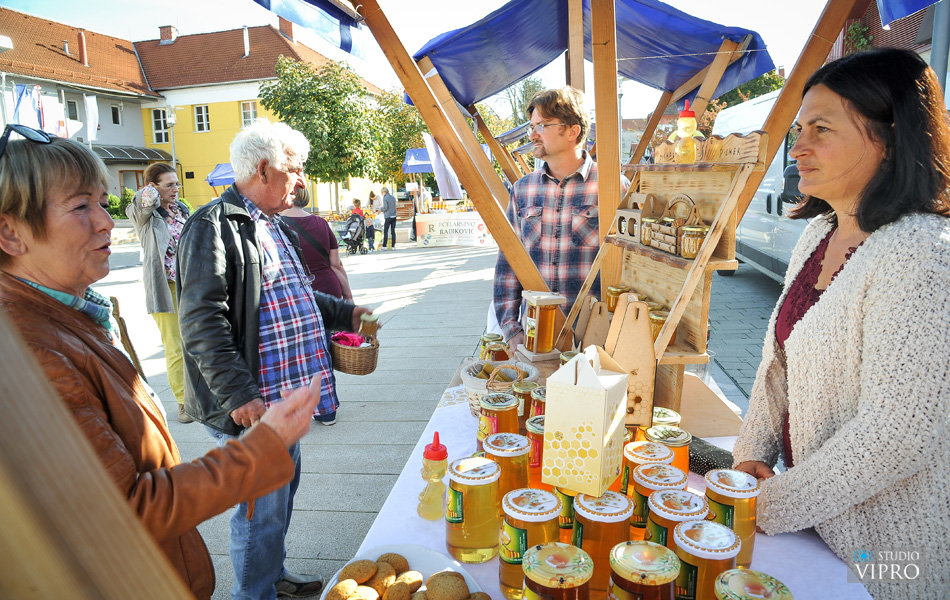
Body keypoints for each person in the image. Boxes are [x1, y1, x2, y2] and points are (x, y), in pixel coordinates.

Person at [0, 129, 324, 600]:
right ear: (10, 233)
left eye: (103, 202)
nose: (107, 222)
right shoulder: (32, 350)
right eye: (80, 207)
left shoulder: (66, 316)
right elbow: (128, 509)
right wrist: (262, 446)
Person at [732, 48, 950, 598]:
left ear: (890, 137)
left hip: (889, 558)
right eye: (799, 129)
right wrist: (750, 457)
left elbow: (900, 434)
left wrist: (771, 503)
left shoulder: (922, 252)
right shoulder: (818, 234)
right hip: (816, 528)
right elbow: (777, 364)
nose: (797, 148)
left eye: (820, 130)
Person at [177, 119, 372, 600]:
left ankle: (272, 579)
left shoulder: (271, 223)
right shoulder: (212, 225)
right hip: (253, 404)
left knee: (279, 500)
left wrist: (349, 313)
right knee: (259, 511)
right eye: (295, 169)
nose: (302, 180)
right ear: (263, 169)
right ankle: (255, 593)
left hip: (283, 401)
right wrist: (240, 395)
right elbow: (201, 319)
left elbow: (297, 297)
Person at [493, 86, 627, 348]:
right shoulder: (523, 189)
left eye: (542, 126)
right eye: (531, 126)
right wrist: (510, 328)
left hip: (595, 336)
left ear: (572, 131)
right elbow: (508, 265)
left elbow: (631, 266)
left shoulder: (613, 186)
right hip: (535, 333)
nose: (532, 135)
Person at [125, 162, 192, 422]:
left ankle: (201, 393)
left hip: (190, 285)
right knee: (175, 347)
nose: (176, 189)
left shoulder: (181, 210)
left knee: (197, 342)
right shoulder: (145, 214)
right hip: (165, 287)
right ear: (154, 187)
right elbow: (143, 201)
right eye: (169, 185)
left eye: (177, 183)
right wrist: (151, 191)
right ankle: (183, 401)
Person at [380, 186, 397, 250]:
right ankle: (393, 246)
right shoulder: (393, 197)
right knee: (393, 231)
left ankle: (384, 246)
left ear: (384, 192)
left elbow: (386, 207)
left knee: (386, 231)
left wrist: (381, 209)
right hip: (394, 215)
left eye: (382, 193)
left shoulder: (385, 198)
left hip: (388, 216)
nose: (382, 194)